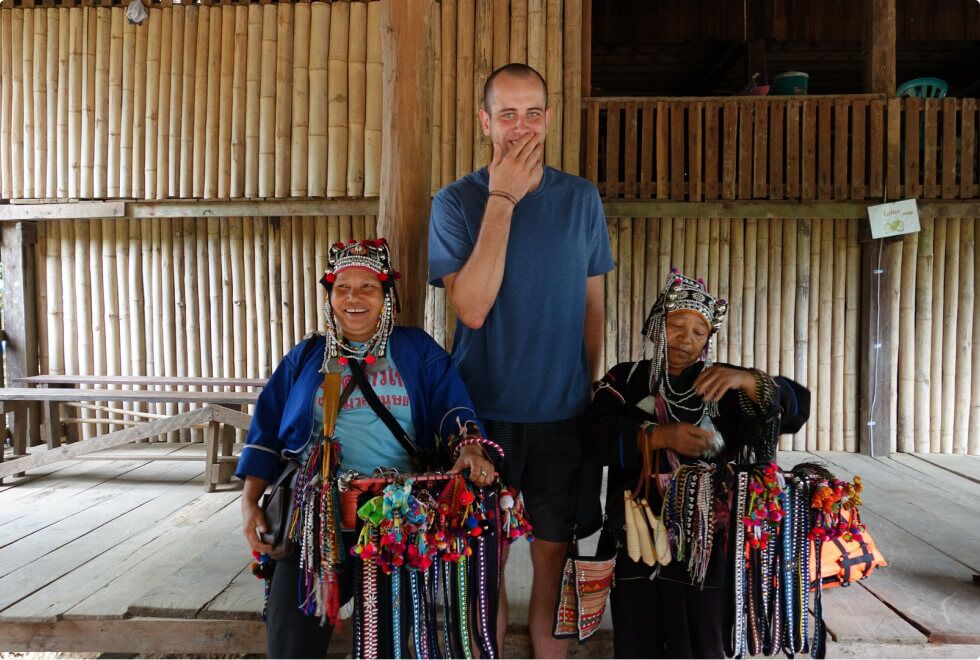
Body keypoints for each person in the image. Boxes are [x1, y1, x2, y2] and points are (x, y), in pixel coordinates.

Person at [428, 63, 615, 657]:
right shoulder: (455, 202)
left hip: (563, 415)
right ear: (485, 122)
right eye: (507, 114)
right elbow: (471, 308)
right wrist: (504, 197)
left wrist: (583, 391)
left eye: (533, 113)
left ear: (549, 119)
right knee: (483, 561)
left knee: (554, 559)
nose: (522, 127)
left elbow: (592, 307)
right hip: (482, 419)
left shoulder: (580, 198)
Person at [236, 239, 498, 658]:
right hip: (315, 518)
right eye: (342, 288)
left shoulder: (416, 350)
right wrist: (250, 502)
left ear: (385, 296)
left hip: (393, 519)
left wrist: (469, 449)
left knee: (385, 644)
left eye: (367, 288)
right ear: (330, 296)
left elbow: (454, 407)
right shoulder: (306, 357)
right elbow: (266, 430)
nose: (353, 298)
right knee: (291, 641)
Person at [586, 269, 810, 658]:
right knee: (638, 635)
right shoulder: (625, 379)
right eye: (676, 325)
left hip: (706, 539)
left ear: (708, 339)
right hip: (638, 532)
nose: (686, 339)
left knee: (704, 636)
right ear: (657, 325)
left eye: (699, 332)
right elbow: (595, 435)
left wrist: (750, 381)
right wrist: (657, 436)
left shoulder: (722, 384)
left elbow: (795, 408)